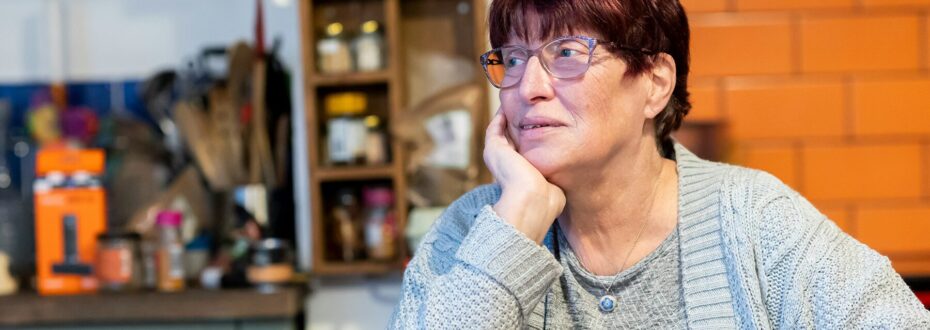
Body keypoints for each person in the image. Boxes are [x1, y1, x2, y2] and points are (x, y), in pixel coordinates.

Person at [389, 0, 930, 328]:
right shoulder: (470, 233)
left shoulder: (755, 220)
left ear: (654, 83)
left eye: (568, 54)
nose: (528, 87)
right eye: (512, 58)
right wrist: (513, 230)